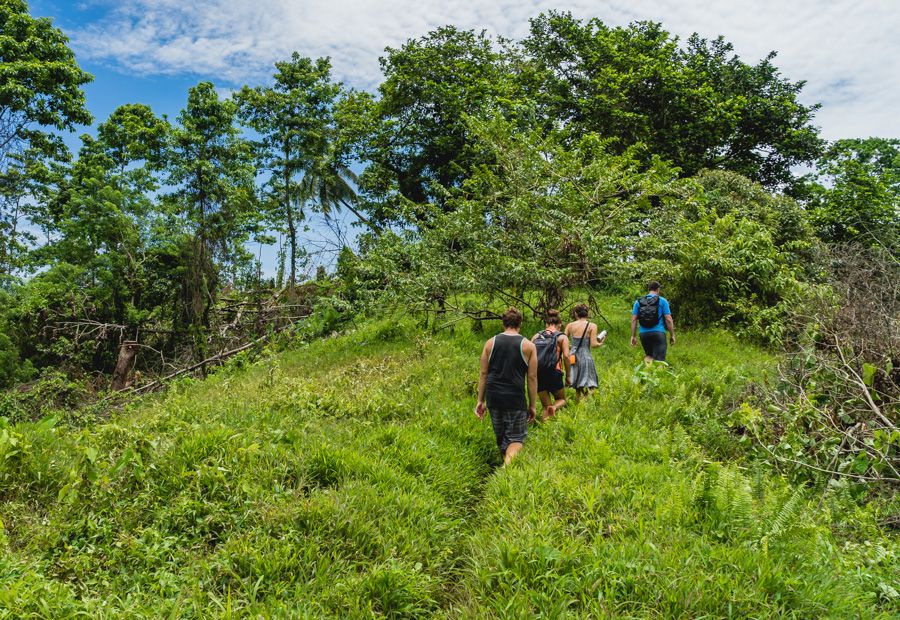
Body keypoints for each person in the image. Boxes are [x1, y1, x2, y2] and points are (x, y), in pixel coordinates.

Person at [475, 307, 538, 465]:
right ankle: (506, 471)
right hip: (515, 399)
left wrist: (480, 401)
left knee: (502, 438)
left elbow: (483, 374)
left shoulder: (490, 343)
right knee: (516, 439)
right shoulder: (528, 346)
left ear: (503, 323)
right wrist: (532, 405)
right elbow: (532, 377)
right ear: (520, 323)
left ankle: (504, 471)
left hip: (493, 397)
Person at [531, 309, 571, 421]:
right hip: (554, 372)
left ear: (546, 324)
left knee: (545, 407)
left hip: (538, 373)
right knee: (562, 400)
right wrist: (568, 376)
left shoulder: (536, 336)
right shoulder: (562, 337)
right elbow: (567, 356)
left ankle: (545, 430)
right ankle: (554, 407)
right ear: (560, 324)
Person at [564, 304, 606, 400]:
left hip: (573, 356)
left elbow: (563, 341)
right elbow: (593, 344)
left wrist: (571, 347)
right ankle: (587, 401)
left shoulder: (570, 325)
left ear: (575, 313)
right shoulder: (592, 326)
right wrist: (601, 343)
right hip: (585, 355)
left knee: (578, 384)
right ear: (587, 314)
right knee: (590, 381)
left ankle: (578, 402)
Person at [631, 281, 676, 363]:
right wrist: (672, 335)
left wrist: (633, 336)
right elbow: (668, 319)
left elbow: (634, 319)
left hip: (644, 334)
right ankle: (658, 375)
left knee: (649, 356)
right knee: (659, 361)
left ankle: (648, 374)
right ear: (658, 289)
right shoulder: (662, 301)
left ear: (649, 289)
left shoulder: (638, 302)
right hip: (658, 333)